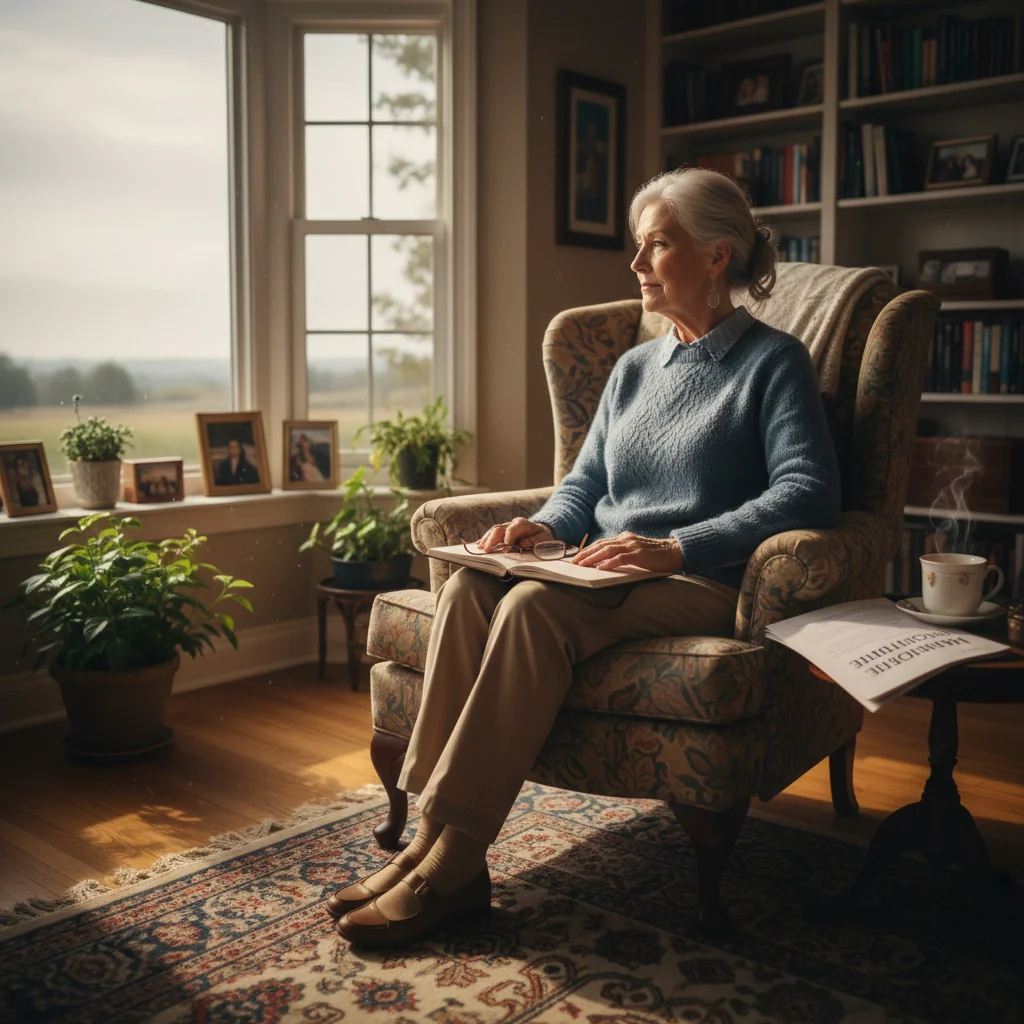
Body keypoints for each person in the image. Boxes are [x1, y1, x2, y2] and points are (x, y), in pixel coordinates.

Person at [329, 167, 842, 948]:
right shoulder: (633, 368)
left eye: (655, 246)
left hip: (701, 578)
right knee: (471, 587)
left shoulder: (775, 362)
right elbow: (586, 485)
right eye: (638, 249)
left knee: (536, 610)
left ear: (715, 256)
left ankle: (455, 863)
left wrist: (675, 548)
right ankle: (432, 839)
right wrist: (537, 528)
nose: (636, 266)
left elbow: (807, 493)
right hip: (602, 570)